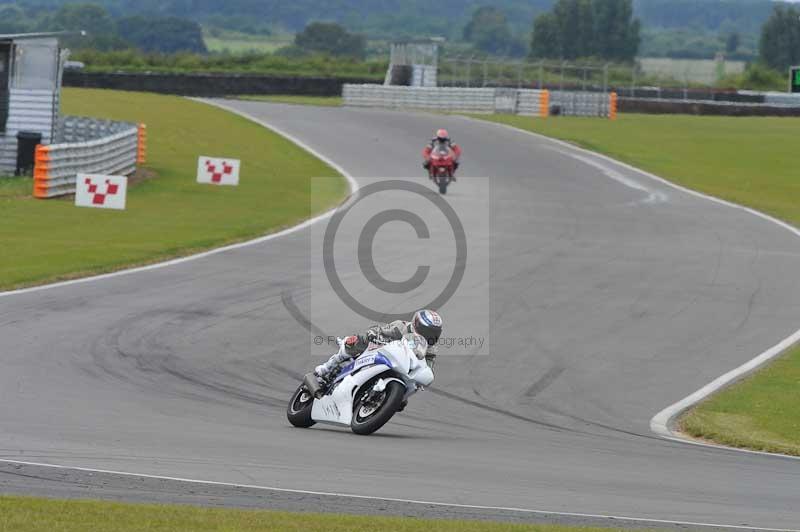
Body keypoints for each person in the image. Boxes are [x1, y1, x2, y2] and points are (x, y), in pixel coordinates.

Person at [314, 310, 443, 384]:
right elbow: (381, 331)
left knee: (409, 392)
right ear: (416, 325)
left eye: (433, 333)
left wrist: (424, 377)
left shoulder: (430, 348)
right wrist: (373, 334)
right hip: (382, 351)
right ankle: (327, 367)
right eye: (426, 331)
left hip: (402, 368)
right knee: (355, 342)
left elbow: (428, 367)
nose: (429, 336)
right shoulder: (401, 326)